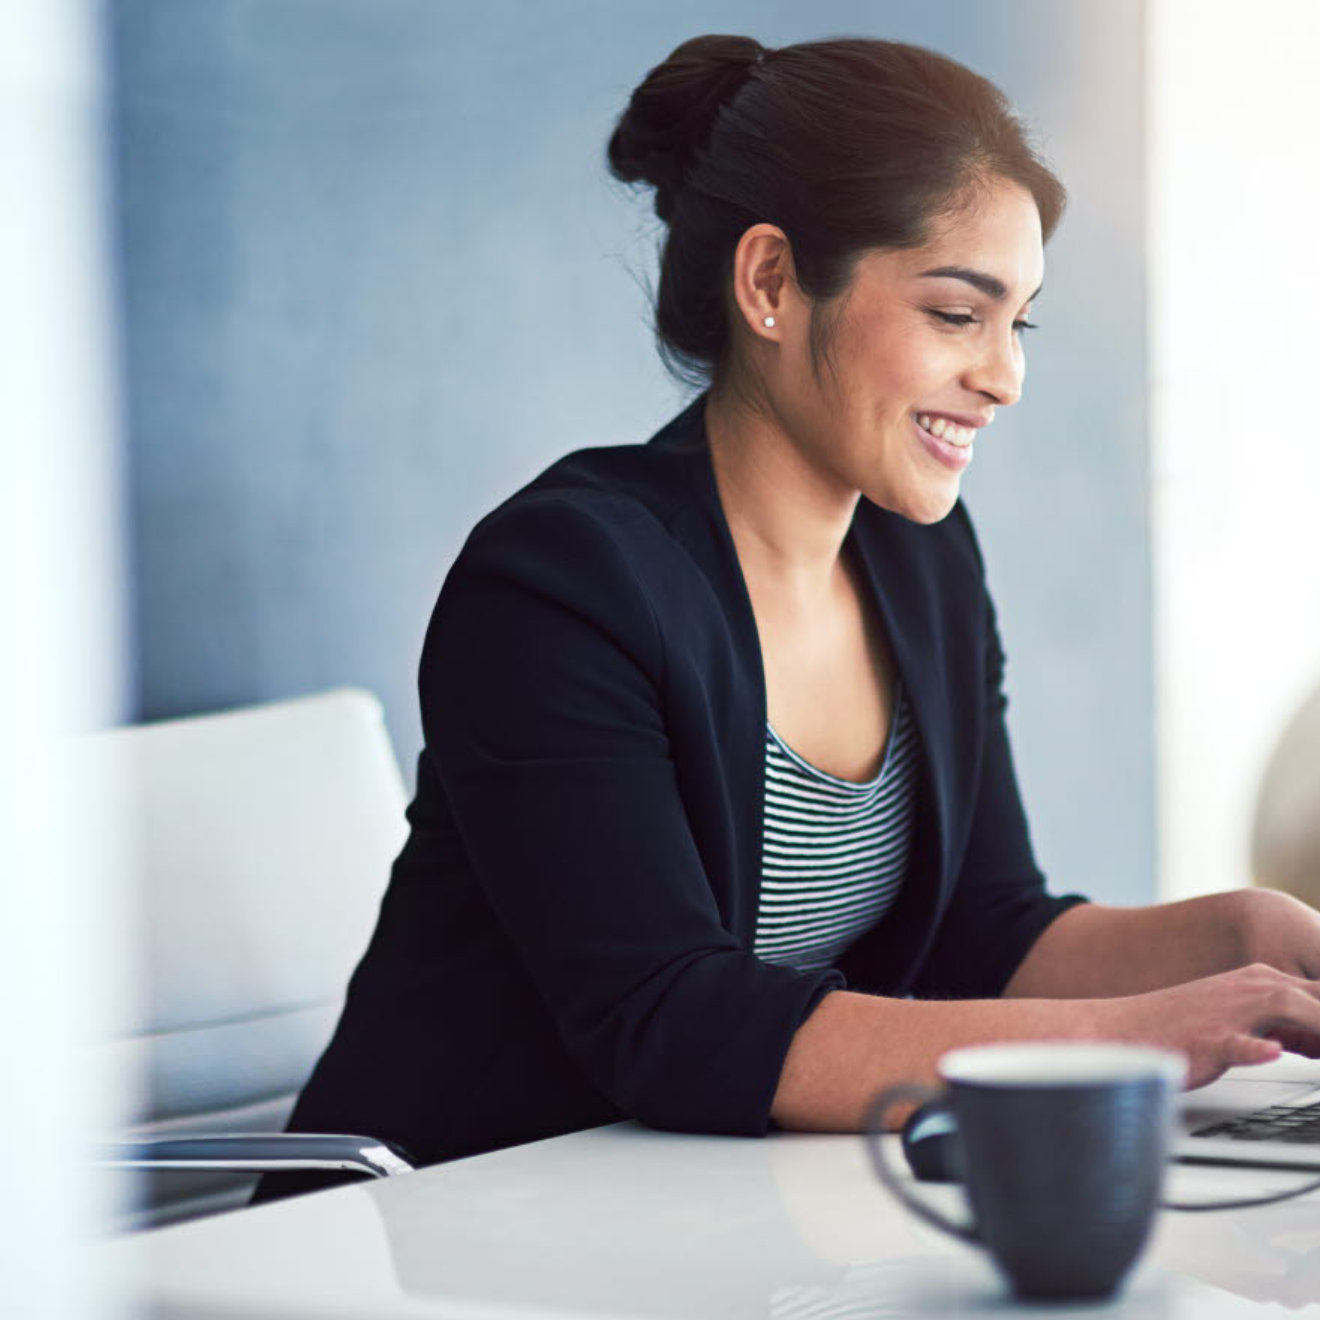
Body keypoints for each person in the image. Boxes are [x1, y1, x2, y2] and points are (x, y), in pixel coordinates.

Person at [258, 33, 1320, 1200]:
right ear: (769, 283)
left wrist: (1251, 942)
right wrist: (1131, 1041)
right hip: (436, 1228)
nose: (1006, 376)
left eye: (1019, 323)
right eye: (957, 314)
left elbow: (988, 932)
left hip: (692, 1214)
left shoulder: (923, 559)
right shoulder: (557, 582)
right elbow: (671, 1017)